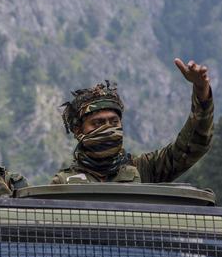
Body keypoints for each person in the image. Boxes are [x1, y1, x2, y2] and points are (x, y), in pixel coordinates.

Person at [51, 58, 214, 184]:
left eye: (114, 122)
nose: (108, 128)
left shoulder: (143, 169)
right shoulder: (63, 183)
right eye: (98, 123)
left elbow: (191, 146)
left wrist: (201, 91)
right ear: (79, 131)